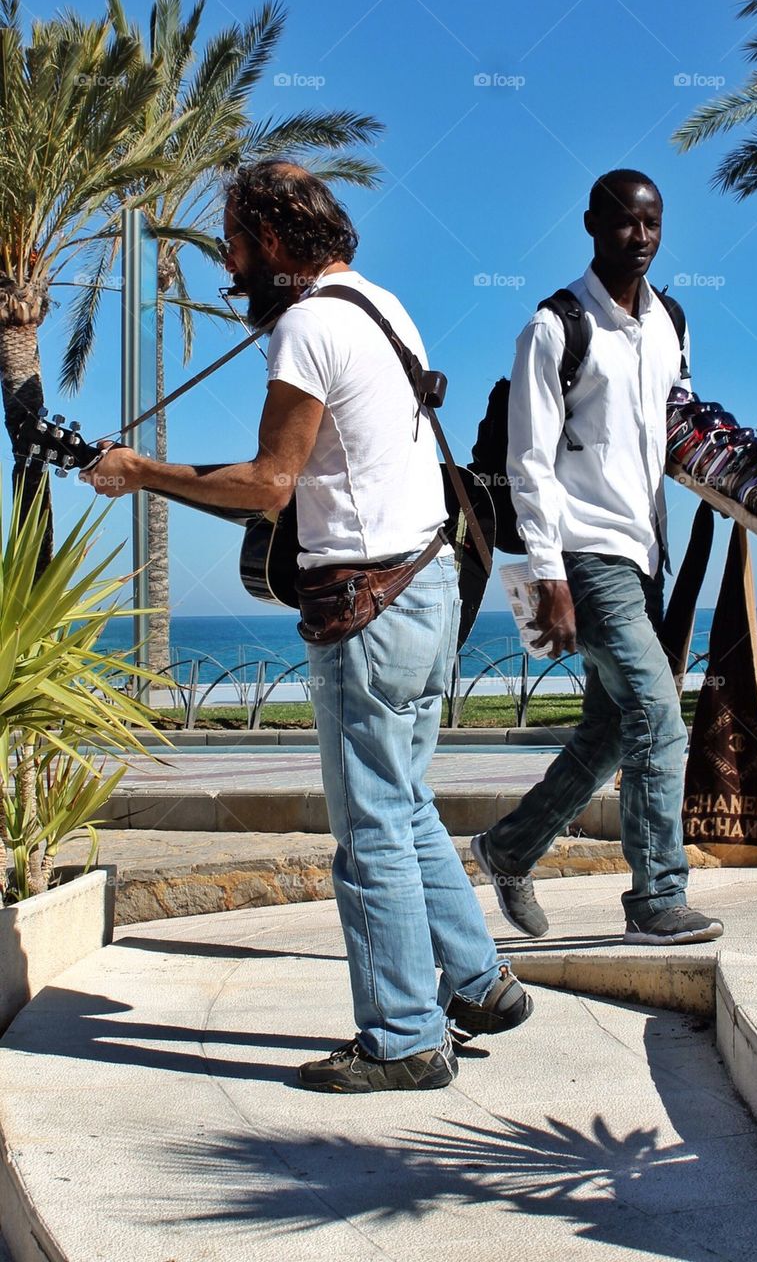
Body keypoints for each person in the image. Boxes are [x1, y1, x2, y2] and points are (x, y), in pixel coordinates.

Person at [84, 160, 532, 1092]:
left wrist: (143, 473)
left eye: (237, 247)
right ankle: (481, 985)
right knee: (405, 806)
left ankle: (405, 1038)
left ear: (279, 242)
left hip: (365, 609)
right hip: (427, 589)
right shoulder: (382, 308)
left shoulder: (305, 327)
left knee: (369, 830)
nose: (230, 269)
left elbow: (268, 485)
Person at [472, 169, 724, 947]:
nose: (641, 237)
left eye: (653, 223)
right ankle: (656, 897)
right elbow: (529, 461)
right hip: (583, 551)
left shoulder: (671, 322)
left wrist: (751, 483)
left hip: (645, 549)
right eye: (624, 223)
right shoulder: (556, 326)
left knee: (612, 730)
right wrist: (548, 572)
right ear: (591, 224)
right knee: (657, 711)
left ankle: (509, 847)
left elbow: (682, 426)